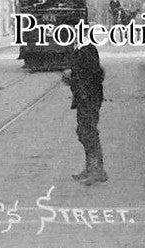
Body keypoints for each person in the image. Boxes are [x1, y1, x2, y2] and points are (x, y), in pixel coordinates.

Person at [63, 31, 106, 184]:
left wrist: (72, 75)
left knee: (88, 131)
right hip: (84, 97)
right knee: (84, 131)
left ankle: (97, 170)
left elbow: (95, 74)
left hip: (89, 97)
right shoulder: (80, 50)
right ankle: (92, 168)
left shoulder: (87, 50)